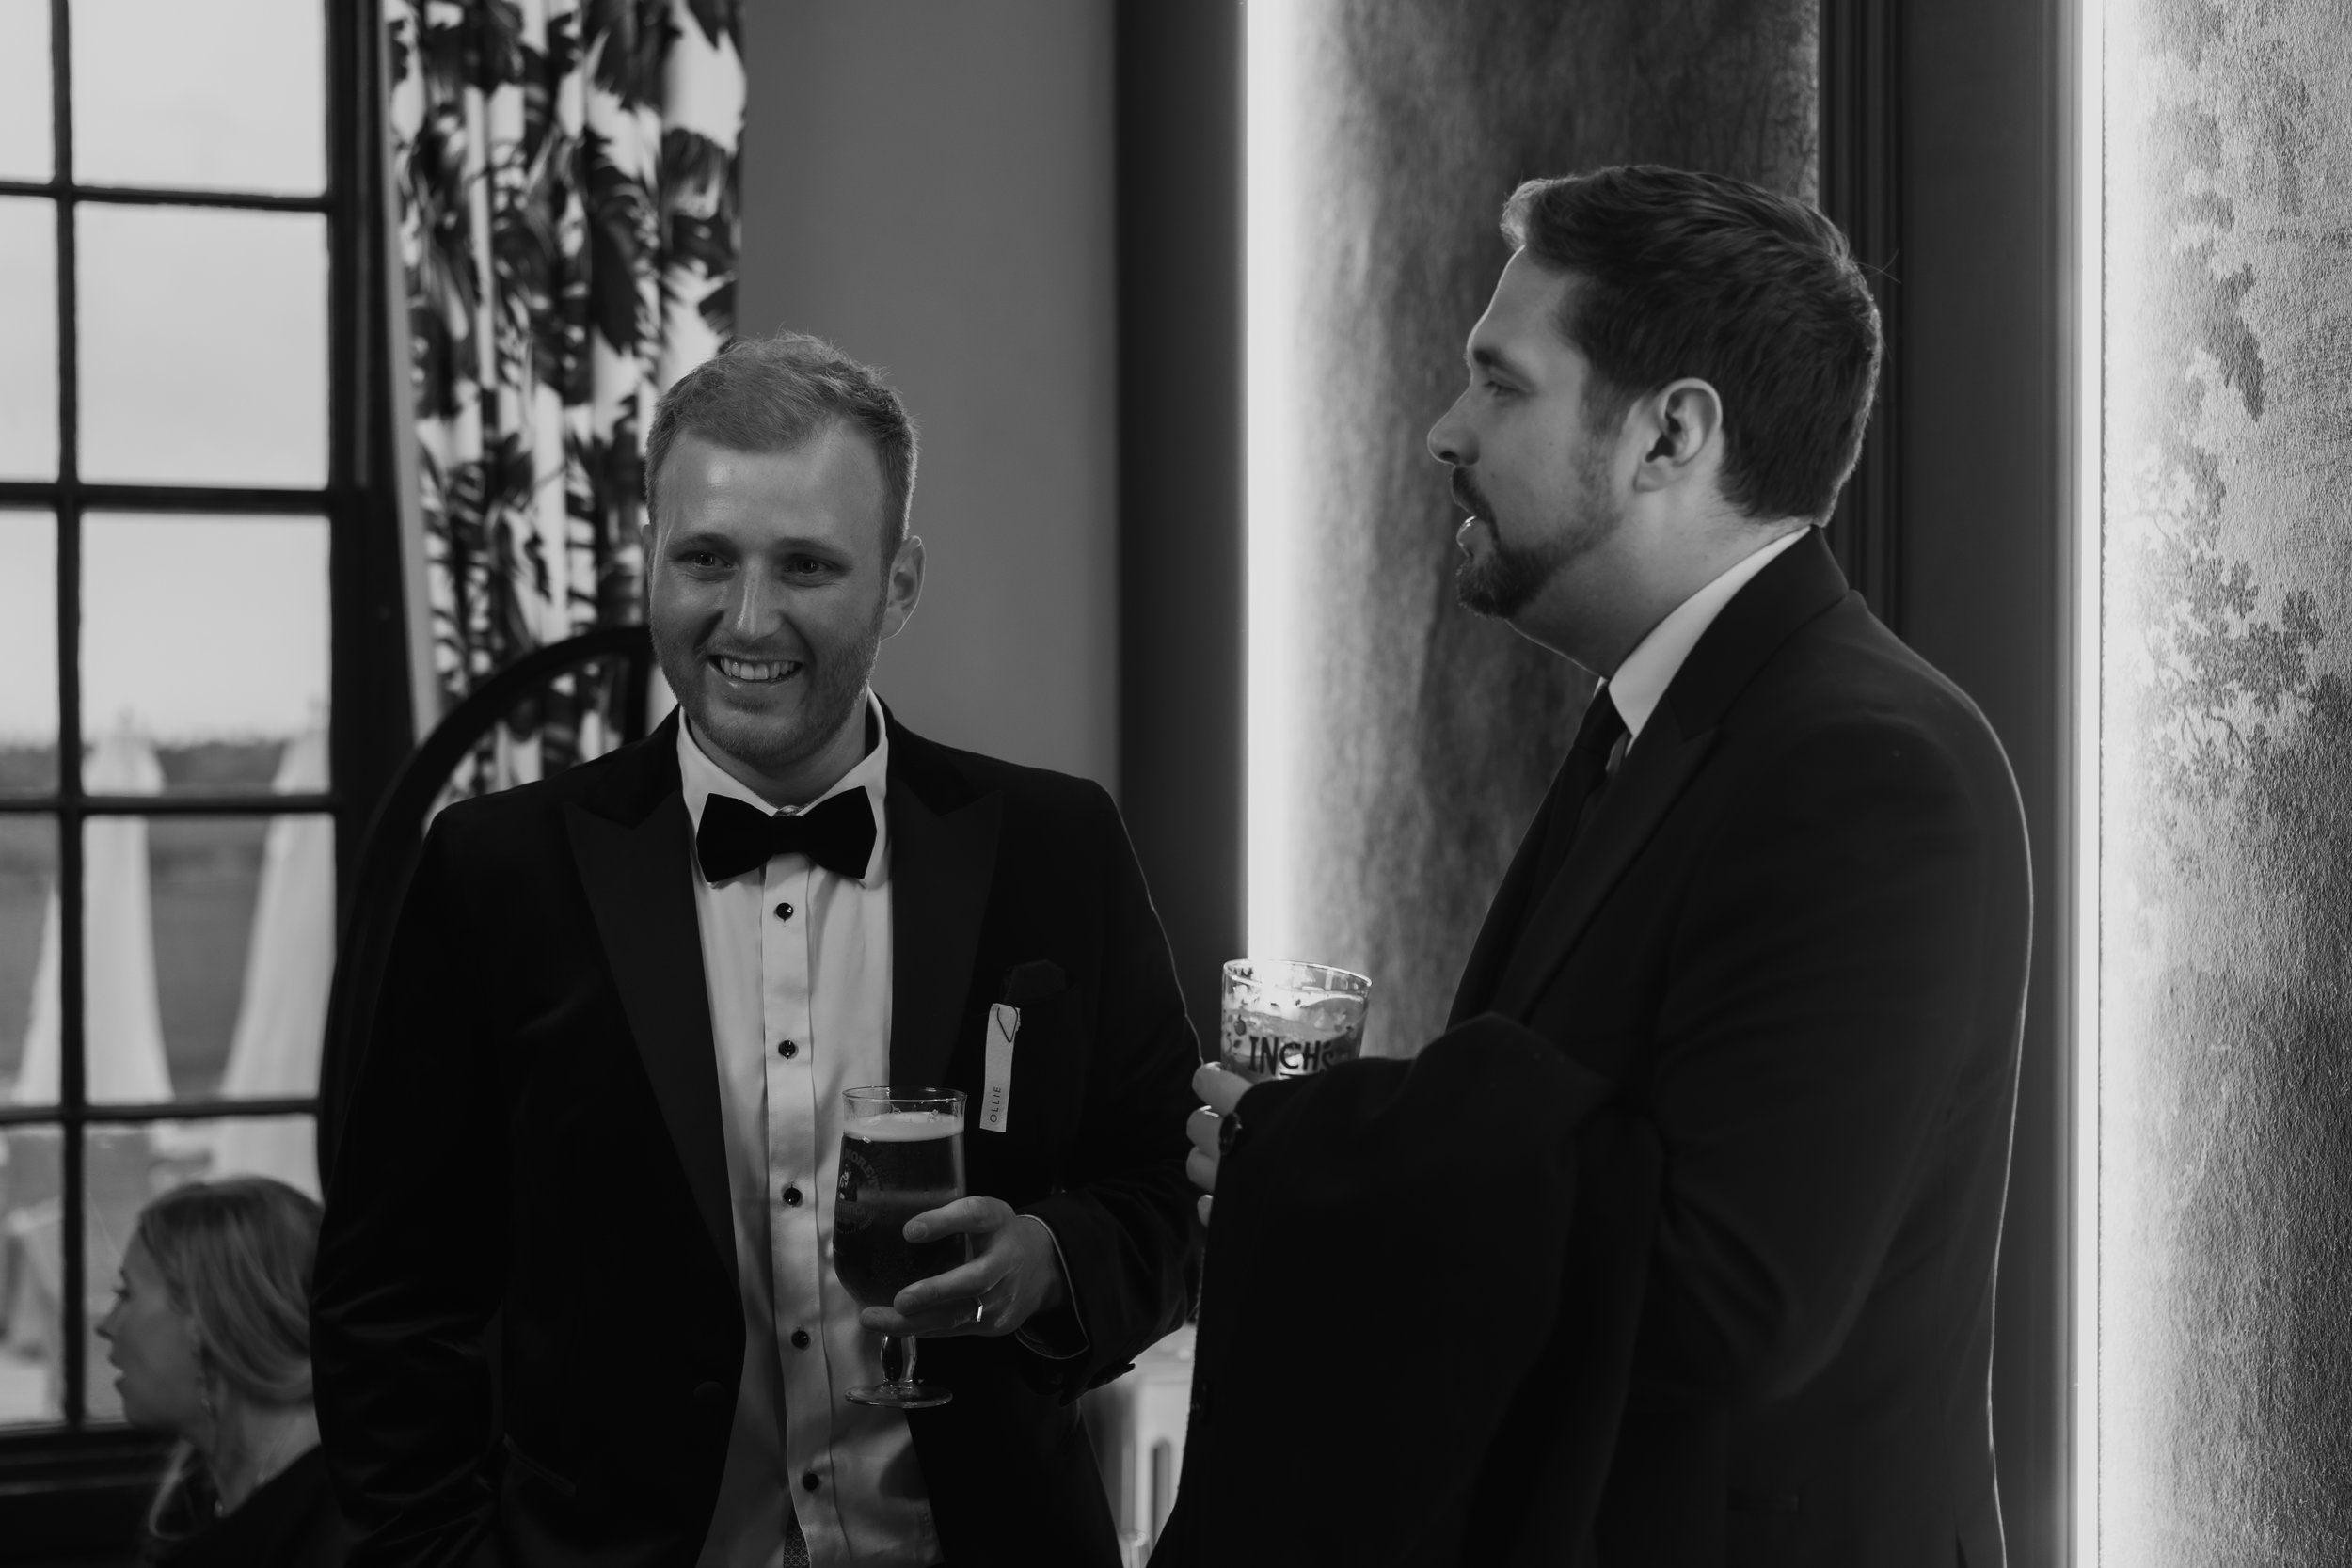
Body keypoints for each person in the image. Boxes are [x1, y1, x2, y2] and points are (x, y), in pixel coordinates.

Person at [1168, 166, 2031, 1566]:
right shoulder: (1660, 721)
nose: (1445, 429)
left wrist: (1336, 1160)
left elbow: (1731, 1300)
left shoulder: (1870, 770)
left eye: (1500, 383)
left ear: (1670, 434)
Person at [313, 333, 1203, 1568]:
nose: (748, 617)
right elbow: (392, 1300)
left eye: (806, 566)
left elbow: (1169, 1192)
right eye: (706, 559)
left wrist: (1051, 1260)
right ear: (647, 563)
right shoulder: (492, 872)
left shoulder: (1059, 846)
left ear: (899, 583)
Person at [98, 1176, 349, 1567]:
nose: (106, 1325)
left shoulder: (337, 1527)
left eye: (125, 1293)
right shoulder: (199, 1491)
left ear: (207, 1321)